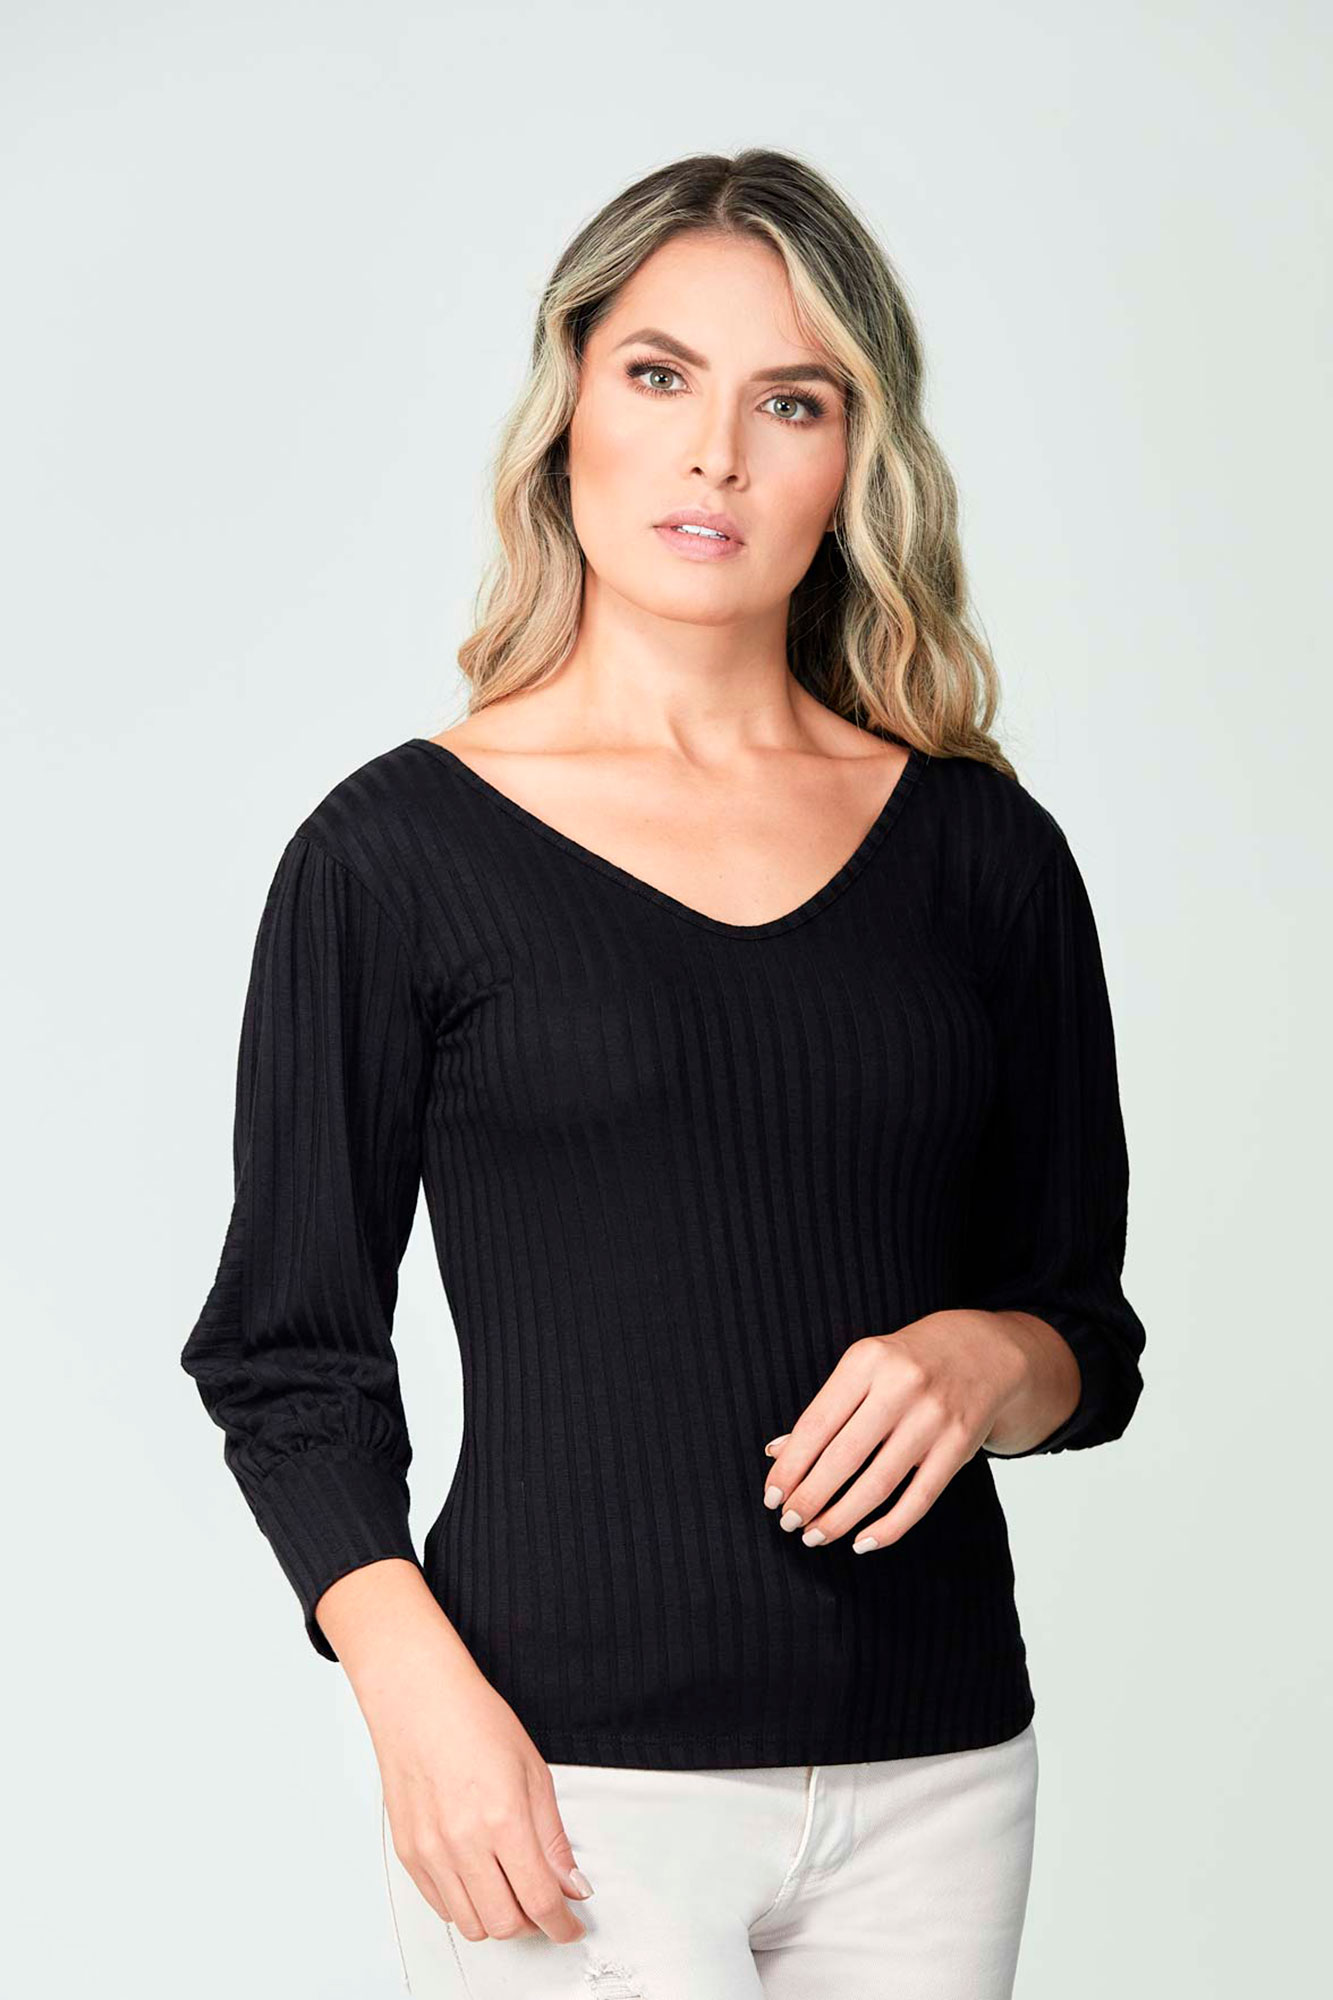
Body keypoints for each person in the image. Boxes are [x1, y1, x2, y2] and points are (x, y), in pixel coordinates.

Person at [180, 148, 1148, 2000]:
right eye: (658, 375)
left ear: (855, 459)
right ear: (568, 408)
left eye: (790, 401)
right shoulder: (395, 856)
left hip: (940, 1771)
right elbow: (287, 1356)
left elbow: (1082, 1336)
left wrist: (983, 1358)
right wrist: (419, 1703)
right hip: (563, 1782)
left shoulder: (981, 855)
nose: (715, 454)